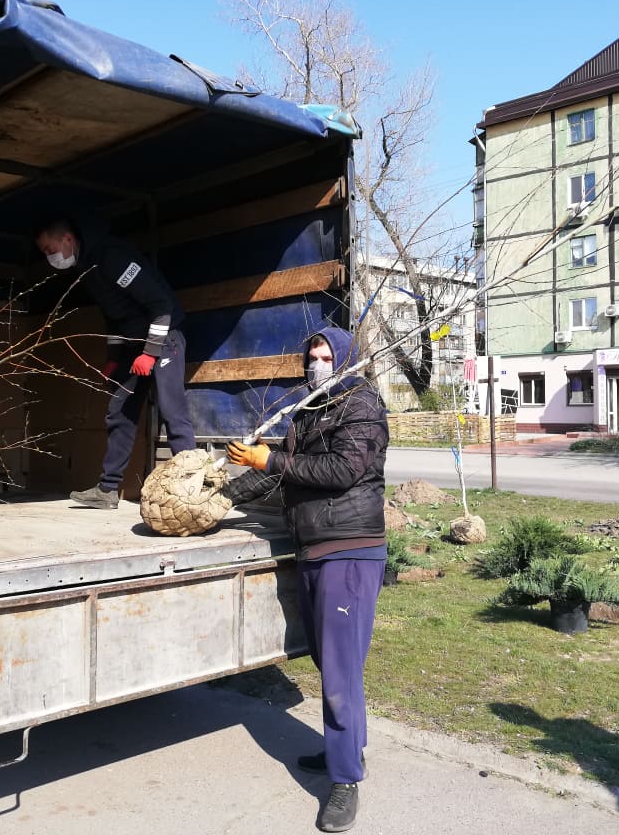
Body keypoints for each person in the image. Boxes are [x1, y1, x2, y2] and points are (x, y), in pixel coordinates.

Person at [224, 327, 388, 833]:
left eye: (326, 356)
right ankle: (347, 751)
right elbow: (284, 472)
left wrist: (270, 458)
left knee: (340, 673)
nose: (316, 364)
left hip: (349, 550)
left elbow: (340, 470)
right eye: (311, 357)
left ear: (347, 359)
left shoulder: (362, 404)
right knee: (329, 661)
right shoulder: (311, 408)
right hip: (315, 549)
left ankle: (345, 781)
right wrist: (222, 493)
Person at [34, 216, 197, 509]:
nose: (49, 257)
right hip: (135, 344)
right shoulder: (88, 267)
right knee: (119, 411)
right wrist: (113, 358)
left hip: (165, 336)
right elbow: (114, 317)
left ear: (67, 239)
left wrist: (151, 352)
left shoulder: (112, 257)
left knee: (172, 409)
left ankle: (193, 485)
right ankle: (107, 490)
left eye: (50, 249)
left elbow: (161, 304)